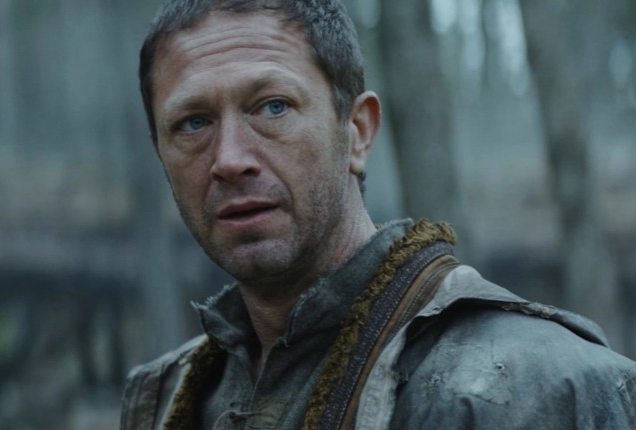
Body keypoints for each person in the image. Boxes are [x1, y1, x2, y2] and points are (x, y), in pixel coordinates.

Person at [120, 0, 636, 428]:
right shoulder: (163, 402)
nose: (230, 159)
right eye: (193, 123)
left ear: (358, 133)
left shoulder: (541, 390)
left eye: (273, 106)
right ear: (160, 152)